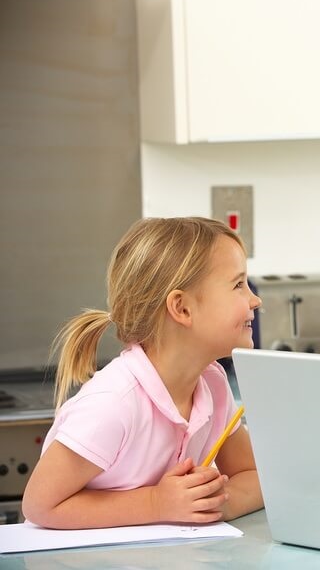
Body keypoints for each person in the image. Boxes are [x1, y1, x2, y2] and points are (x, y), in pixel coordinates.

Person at [22, 217, 264, 529]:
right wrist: (155, 503)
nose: (255, 300)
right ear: (182, 308)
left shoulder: (213, 385)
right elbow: (40, 505)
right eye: (238, 284)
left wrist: (216, 501)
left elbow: (256, 477)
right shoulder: (114, 403)